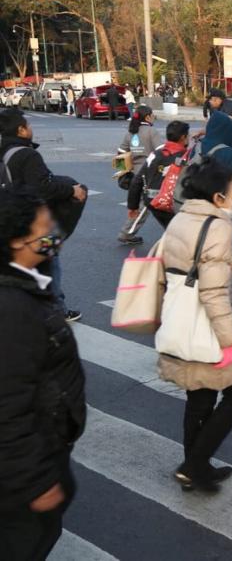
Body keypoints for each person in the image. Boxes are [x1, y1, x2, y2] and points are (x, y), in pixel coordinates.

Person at [159, 160, 232, 492]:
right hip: (206, 326)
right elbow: (214, 292)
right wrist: (230, 342)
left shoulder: (180, 218)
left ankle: (196, 468)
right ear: (218, 196)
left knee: (199, 398)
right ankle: (194, 465)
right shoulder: (216, 227)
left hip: (179, 319)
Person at [0, 190, 86, 560]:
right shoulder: (12, 308)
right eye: (45, 227)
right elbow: (7, 405)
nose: (53, 232)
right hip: (27, 469)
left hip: (44, 446)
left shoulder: (28, 279)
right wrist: (36, 481)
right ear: (17, 240)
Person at [0, 108, 87, 322]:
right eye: (28, 125)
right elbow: (43, 187)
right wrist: (71, 189)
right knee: (51, 261)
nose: (31, 128)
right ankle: (57, 309)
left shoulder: (5, 153)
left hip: (10, 222)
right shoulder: (27, 154)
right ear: (21, 130)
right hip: (34, 226)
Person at [125, 120, 190, 230]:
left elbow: (137, 180)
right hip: (172, 203)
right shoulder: (185, 157)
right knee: (180, 233)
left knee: (172, 230)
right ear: (183, 137)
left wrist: (133, 206)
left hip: (152, 202)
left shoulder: (156, 153)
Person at [117, 105, 162, 245]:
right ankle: (126, 233)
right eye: (152, 114)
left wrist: (124, 172)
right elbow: (161, 153)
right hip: (149, 174)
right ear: (147, 116)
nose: (153, 116)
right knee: (146, 206)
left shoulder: (130, 132)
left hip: (135, 174)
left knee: (140, 204)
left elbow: (120, 153)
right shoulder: (151, 132)